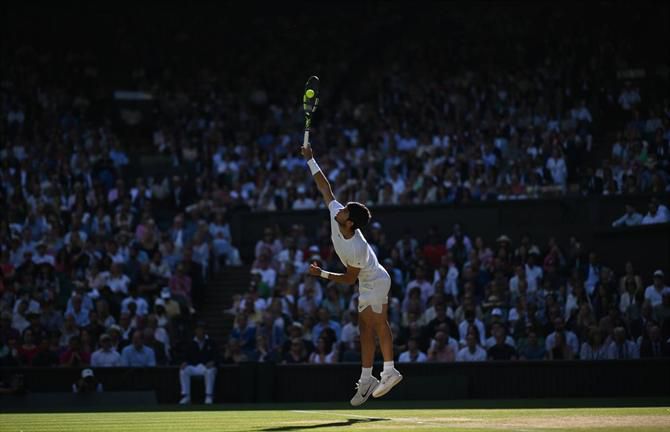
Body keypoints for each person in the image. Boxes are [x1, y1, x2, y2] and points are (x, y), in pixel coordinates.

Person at [302, 144, 401, 406]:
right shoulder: (337, 214)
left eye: (345, 211)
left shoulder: (356, 247)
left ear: (350, 223)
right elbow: (325, 188)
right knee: (364, 329)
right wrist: (311, 159)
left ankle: (389, 371)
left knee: (378, 323)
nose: (339, 209)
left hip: (376, 280)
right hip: (367, 283)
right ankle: (367, 378)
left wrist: (321, 273)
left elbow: (348, 279)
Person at [179, 321, 218, 405]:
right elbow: (186, 357)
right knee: (183, 371)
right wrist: (185, 362)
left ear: (205, 331)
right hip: (194, 367)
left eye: (203, 329)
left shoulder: (211, 342)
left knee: (210, 371)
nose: (201, 331)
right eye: (199, 329)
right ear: (195, 331)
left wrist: (213, 362)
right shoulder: (190, 343)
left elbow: (217, 356)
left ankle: (209, 396)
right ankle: (186, 396)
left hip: (206, 367)